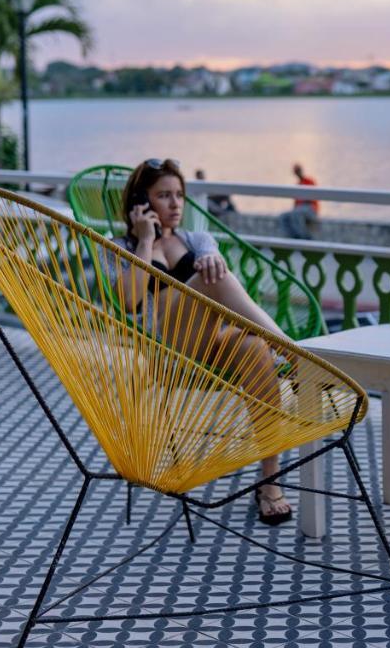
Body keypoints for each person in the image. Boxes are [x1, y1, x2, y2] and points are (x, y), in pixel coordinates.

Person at [111, 158, 294, 526]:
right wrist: (146, 240)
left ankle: (270, 480)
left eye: (179, 194)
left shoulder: (196, 239)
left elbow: (216, 268)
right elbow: (129, 302)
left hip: (212, 339)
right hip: (170, 347)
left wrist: (210, 256)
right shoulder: (122, 246)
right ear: (140, 204)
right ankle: (294, 351)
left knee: (253, 347)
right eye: (164, 195)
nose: (176, 204)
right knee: (211, 278)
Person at [278, 162, 320, 239]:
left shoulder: (309, 181)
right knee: (283, 217)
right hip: (299, 209)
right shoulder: (298, 185)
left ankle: (305, 238)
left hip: (310, 208)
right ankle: (292, 237)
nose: (297, 173)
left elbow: (311, 199)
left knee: (296, 214)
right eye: (296, 171)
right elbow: (296, 205)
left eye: (298, 170)